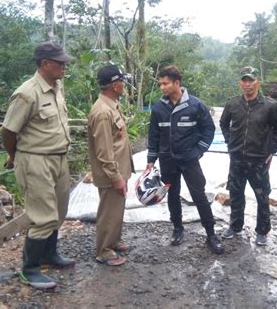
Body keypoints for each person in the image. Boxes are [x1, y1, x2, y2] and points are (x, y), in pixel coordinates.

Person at [1, 42, 75, 290]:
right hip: (36, 160)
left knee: (59, 211)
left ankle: (49, 255)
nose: (64, 66)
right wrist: (14, 156)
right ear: (45, 64)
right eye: (60, 62)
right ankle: (30, 269)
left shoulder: (57, 86)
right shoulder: (27, 93)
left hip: (59, 158)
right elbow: (8, 130)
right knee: (43, 216)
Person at [145, 65, 224, 255]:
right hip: (167, 160)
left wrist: (198, 151)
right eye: (160, 84)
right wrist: (151, 160)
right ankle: (177, 228)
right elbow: (154, 135)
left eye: (165, 84)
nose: (162, 87)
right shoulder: (158, 108)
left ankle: (211, 234)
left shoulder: (196, 105)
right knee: (172, 194)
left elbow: (208, 130)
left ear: (177, 83)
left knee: (199, 195)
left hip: (189, 160)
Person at [219, 66, 277, 246]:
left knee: (262, 196)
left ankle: (262, 230)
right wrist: (229, 141)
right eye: (244, 81)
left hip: (259, 160)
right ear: (240, 84)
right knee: (236, 194)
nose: (247, 85)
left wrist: (271, 150)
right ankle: (235, 225)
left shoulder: (269, 105)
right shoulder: (232, 104)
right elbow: (223, 124)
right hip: (237, 158)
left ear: (257, 83)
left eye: (251, 81)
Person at [88, 65, 134, 266]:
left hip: (118, 170)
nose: (124, 85)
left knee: (116, 209)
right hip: (110, 174)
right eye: (122, 82)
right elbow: (104, 151)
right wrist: (116, 177)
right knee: (109, 211)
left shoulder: (112, 105)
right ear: (115, 85)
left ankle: (113, 241)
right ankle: (104, 250)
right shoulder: (102, 112)